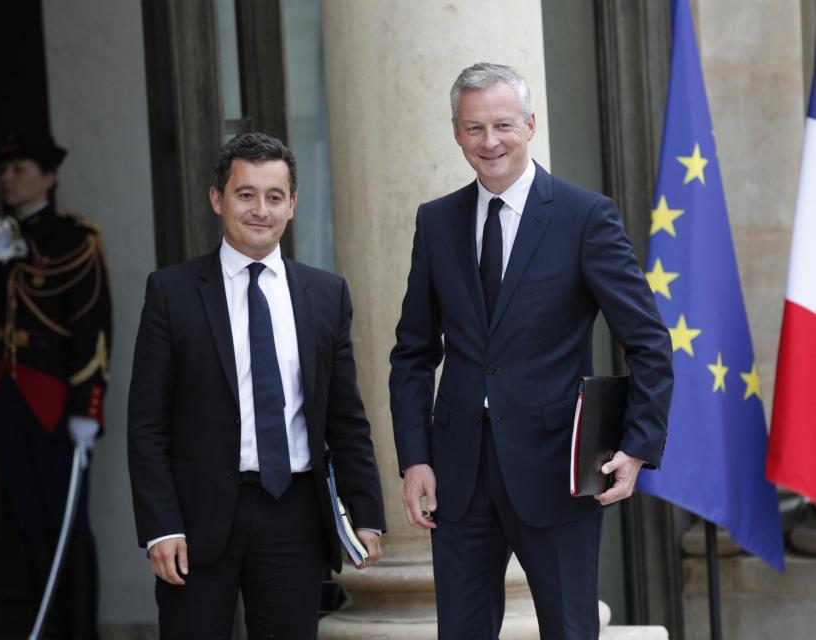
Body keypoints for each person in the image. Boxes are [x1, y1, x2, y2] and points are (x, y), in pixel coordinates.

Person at [389, 63, 674, 639]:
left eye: (502, 125)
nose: (489, 141)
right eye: (474, 128)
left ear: (530, 125)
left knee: (570, 630)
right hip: (458, 478)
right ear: (455, 132)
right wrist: (415, 457)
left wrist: (637, 446)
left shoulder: (585, 217)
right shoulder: (436, 221)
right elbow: (413, 353)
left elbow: (648, 342)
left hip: (558, 472)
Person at [127, 131, 386, 639]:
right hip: (196, 519)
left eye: (274, 197)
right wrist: (161, 525)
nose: (260, 210)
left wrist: (368, 514)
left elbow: (345, 417)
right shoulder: (171, 292)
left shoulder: (325, 294)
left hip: (292, 513)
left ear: (292, 205)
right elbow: (147, 424)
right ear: (217, 199)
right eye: (246, 194)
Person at [0, 130, 112, 638]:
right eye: (4, 172)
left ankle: (80, 632)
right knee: (29, 527)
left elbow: (93, 330)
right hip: (6, 399)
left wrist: (87, 408)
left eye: (19, 170)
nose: (8, 179)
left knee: (69, 526)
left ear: (48, 178)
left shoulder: (73, 240)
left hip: (55, 400)